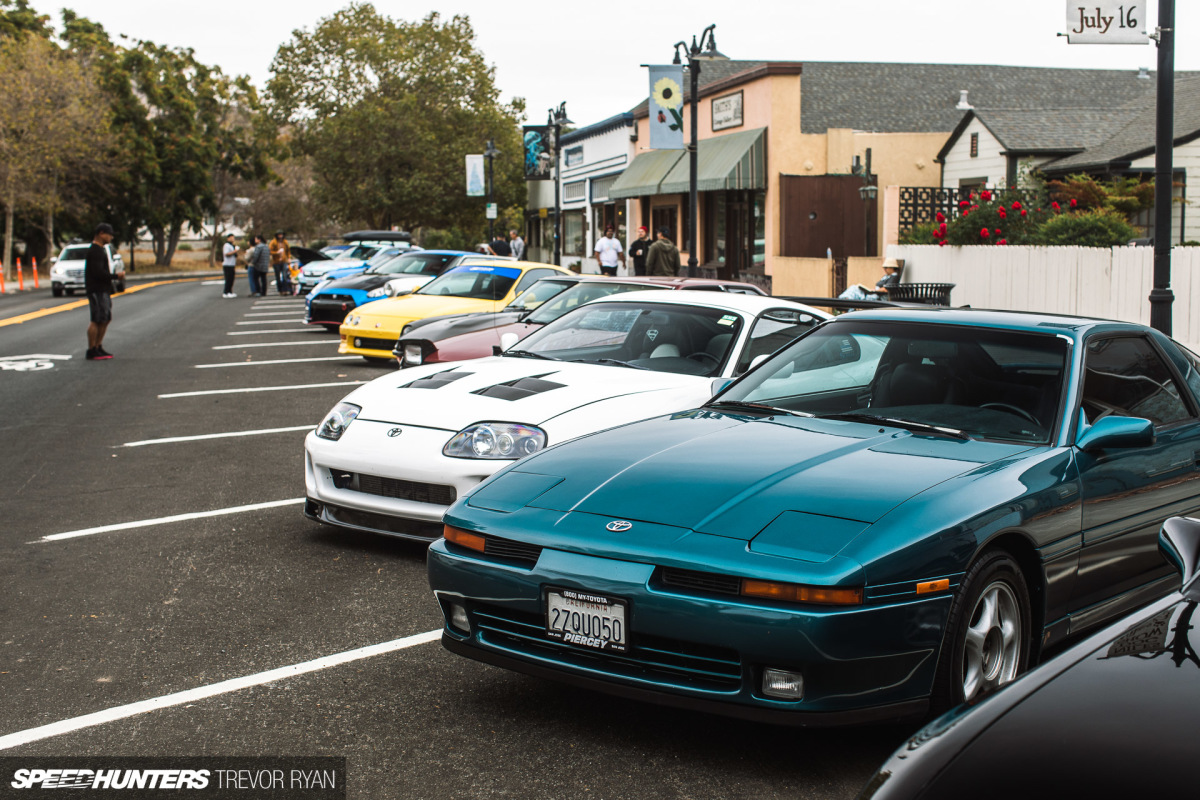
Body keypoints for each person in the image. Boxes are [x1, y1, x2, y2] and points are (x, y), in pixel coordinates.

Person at [85, 222, 120, 360]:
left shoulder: (101, 250)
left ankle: (98, 346)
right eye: (109, 234)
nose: (111, 237)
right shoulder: (94, 251)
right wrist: (116, 276)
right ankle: (92, 349)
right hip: (96, 290)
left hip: (103, 290)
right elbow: (98, 272)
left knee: (105, 318)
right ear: (101, 233)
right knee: (96, 319)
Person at [268, 231, 291, 295]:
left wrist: (289, 258)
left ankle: (285, 290)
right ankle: (280, 290)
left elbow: (288, 251)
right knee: (278, 277)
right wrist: (276, 252)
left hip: (284, 261)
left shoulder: (285, 242)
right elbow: (270, 251)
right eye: (279, 235)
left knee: (285, 276)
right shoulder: (273, 242)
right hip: (276, 261)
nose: (280, 236)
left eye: (281, 235)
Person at [221, 232, 239, 298]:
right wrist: (235, 251)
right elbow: (226, 254)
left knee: (231, 279)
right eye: (231, 238)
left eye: (233, 238)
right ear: (228, 238)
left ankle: (230, 291)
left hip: (232, 264)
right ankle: (226, 292)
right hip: (227, 265)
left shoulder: (232, 245)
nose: (233, 239)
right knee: (228, 279)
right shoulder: (226, 245)